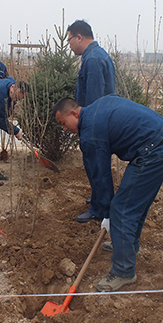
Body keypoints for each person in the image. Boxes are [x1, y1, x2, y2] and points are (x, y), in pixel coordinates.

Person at [54, 96, 163, 292]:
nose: (64, 128)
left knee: (121, 208)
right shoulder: (96, 108)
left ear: (74, 113)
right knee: (133, 203)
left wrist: (105, 210)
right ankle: (127, 246)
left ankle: (123, 271)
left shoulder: (90, 132)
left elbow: (100, 175)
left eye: (63, 123)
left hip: (154, 152)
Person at [66, 20, 116, 221]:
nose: (69, 45)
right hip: (99, 121)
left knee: (97, 165)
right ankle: (98, 199)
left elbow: (94, 98)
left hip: (95, 124)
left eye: (69, 40)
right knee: (96, 165)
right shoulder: (97, 55)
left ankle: (100, 210)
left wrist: (86, 126)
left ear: (79, 37)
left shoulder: (93, 59)